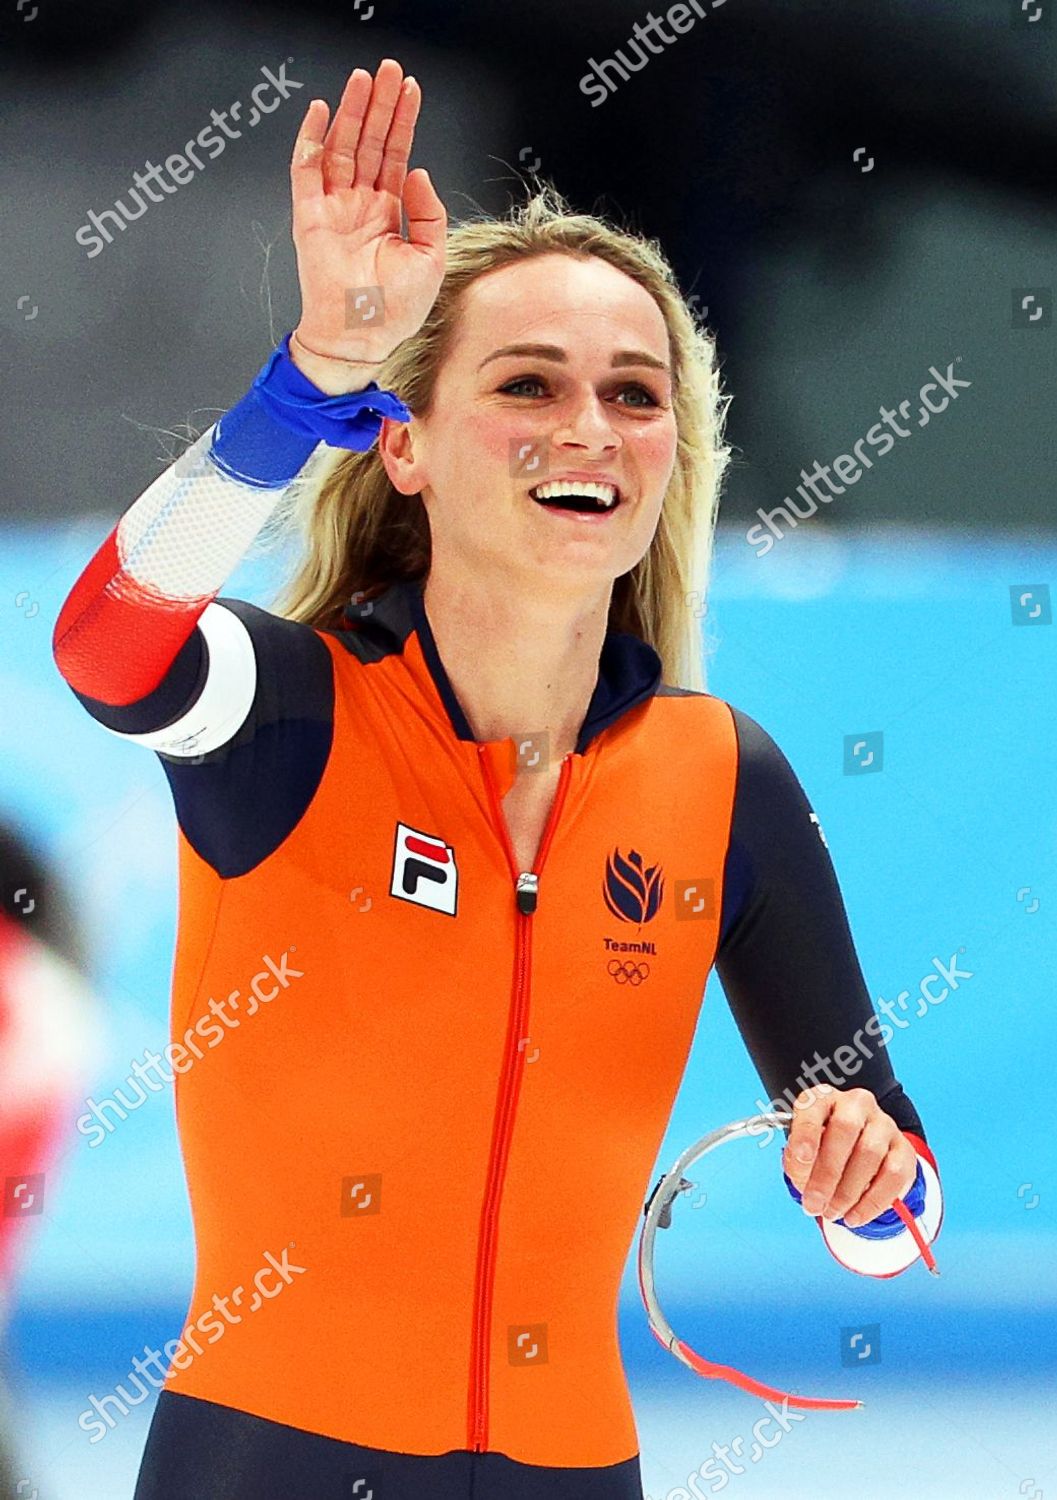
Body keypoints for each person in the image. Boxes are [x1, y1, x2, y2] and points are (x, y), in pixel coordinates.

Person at [51, 58, 942, 1500]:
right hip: (265, 1462)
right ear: (399, 445)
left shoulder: (723, 779)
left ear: (668, 454)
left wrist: (865, 1175)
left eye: (632, 393)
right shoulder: (289, 713)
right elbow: (104, 642)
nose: (587, 425)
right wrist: (313, 380)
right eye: (526, 381)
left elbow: (889, 1209)